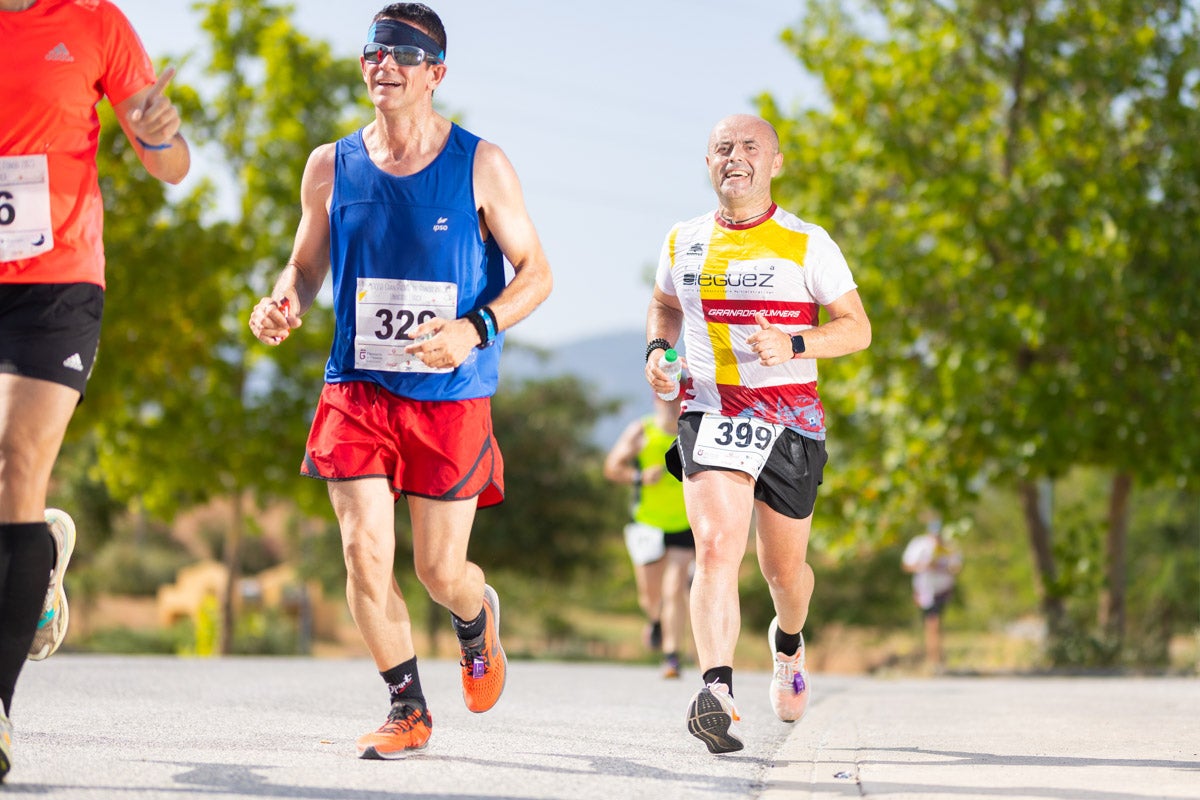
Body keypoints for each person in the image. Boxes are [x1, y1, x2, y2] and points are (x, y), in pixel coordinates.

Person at [247, 3, 551, 760]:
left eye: (404, 55)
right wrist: (284, 299)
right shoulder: (330, 164)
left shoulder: (481, 163)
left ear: (435, 73)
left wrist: (473, 328)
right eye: (374, 52)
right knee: (362, 552)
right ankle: (406, 705)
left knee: (439, 571)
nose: (385, 64)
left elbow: (537, 275)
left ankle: (475, 619)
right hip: (356, 387)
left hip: (450, 395)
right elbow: (306, 264)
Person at [0, 0, 189, 781]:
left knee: (14, 461)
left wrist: (158, 133)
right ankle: (36, 556)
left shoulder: (93, 22)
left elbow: (172, 166)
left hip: (55, 285)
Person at [644, 114, 871, 754]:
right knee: (717, 547)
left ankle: (788, 642)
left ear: (775, 163)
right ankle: (716, 691)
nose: (734, 157)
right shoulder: (683, 239)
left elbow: (856, 328)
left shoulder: (808, 242)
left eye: (750, 147)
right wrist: (657, 352)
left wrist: (795, 342)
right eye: (722, 147)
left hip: (790, 421)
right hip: (711, 413)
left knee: (783, 572)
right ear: (708, 162)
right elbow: (663, 305)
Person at [604, 387, 696, 679]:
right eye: (667, 398)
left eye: (678, 398)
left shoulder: (693, 431)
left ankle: (672, 657)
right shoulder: (641, 431)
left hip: (684, 523)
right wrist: (639, 476)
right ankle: (655, 620)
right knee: (650, 595)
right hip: (647, 523)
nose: (672, 404)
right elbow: (612, 467)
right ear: (656, 399)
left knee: (675, 588)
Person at [902, 514, 962, 672]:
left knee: (936, 623)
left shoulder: (950, 545)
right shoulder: (919, 544)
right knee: (932, 622)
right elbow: (906, 565)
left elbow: (957, 567)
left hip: (943, 589)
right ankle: (933, 659)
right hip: (925, 590)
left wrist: (941, 567)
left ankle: (936, 658)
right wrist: (924, 566)